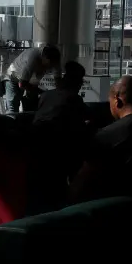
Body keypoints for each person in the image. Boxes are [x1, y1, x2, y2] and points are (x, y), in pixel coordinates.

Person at [28, 60, 89, 210]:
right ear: (77, 83)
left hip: (35, 149)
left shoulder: (46, 96)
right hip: (58, 153)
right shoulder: (74, 100)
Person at [4, 44, 61, 113]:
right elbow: (22, 84)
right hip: (13, 77)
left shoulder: (55, 60)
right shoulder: (33, 58)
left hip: (30, 80)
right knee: (13, 108)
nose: (50, 68)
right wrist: (44, 93)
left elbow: (58, 80)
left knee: (31, 108)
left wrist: (59, 94)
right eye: (49, 65)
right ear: (44, 58)